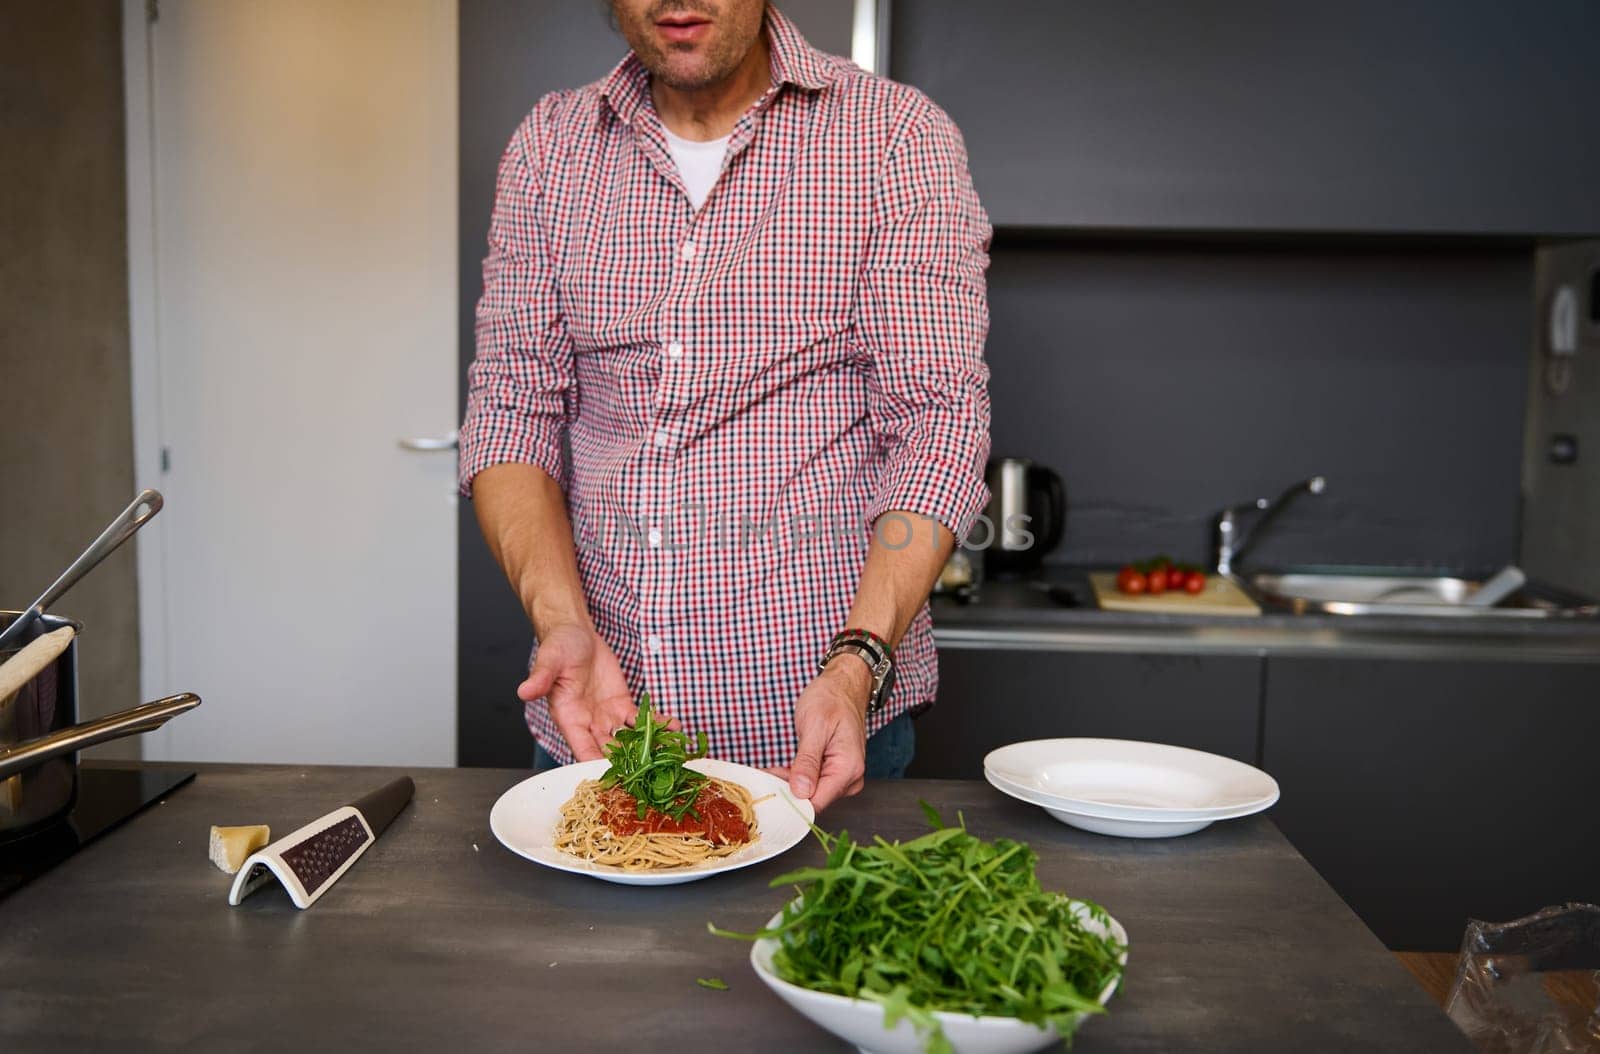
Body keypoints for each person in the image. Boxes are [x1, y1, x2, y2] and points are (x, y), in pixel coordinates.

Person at [459, 0, 991, 811]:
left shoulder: (893, 137)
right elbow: (510, 411)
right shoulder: (549, 148)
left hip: (822, 737)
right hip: (598, 733)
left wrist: (858, 666)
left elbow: (938, 423)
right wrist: (559, 618)